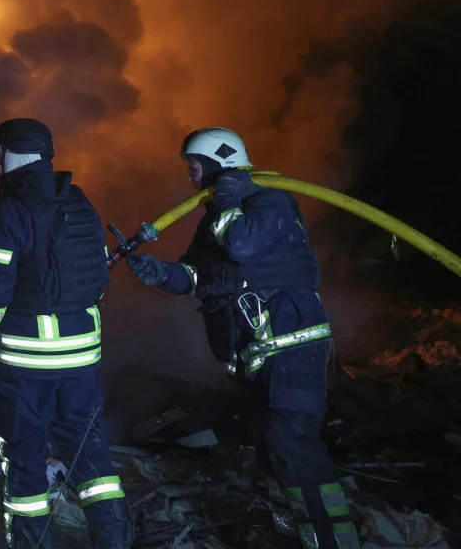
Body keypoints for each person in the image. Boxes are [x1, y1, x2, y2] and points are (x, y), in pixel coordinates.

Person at [125, 127, 360, 549]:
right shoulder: (216, 217)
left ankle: (334, 542)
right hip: (256, 356)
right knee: (269, 449)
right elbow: (197, 276)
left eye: (194, 168)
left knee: (292, 446)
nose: (189, 179)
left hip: (293, 347)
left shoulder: (270, 201)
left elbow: (242, 245)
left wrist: (230, 196)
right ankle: (298, 536)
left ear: (218, 164)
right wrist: (160, 273)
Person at [0, 118, 132, 549]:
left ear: (14, 155)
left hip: (29, 363)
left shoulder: (9, 211)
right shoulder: (80, 203)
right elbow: (96, 277)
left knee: (25, 460)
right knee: (92, 460)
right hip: (81, 360)